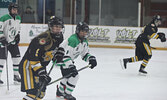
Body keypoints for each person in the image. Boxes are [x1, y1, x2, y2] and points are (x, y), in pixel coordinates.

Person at [19, 16, 65, 100]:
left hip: (41, 67)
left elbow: (56, 50)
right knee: (33, 93)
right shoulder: (42, 39)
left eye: (60, 27)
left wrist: (58, 55)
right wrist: (41, 72)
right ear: (50, 27)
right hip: (28, 66)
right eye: (56, 27)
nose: (58, 29)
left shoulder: (60, 37)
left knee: (41, 93)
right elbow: (33, 57)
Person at [56, 22, 97, 100]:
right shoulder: (73, 40)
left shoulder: (84, 41)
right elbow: (65, 56)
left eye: (85, 31)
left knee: (68, 76)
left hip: (68, 60)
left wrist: (91, 58)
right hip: (61, 59)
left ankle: (60, 92)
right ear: (78, 31)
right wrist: (71, 66)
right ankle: (67, 94)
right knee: (74, 76)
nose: (84, 33)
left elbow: (85, 54)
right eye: (82, 31)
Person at [0, 3, 21, 84]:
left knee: (17, 59)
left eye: (16, 9)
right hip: (3, 43)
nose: (15, 11)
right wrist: (2, 38)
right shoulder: (4, 18)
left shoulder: (18, 18)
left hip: (13, 43)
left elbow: (18, 28)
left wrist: (18, 35)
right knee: (1, 61)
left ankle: (16, 76)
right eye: (14, 9)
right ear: (10, 10)